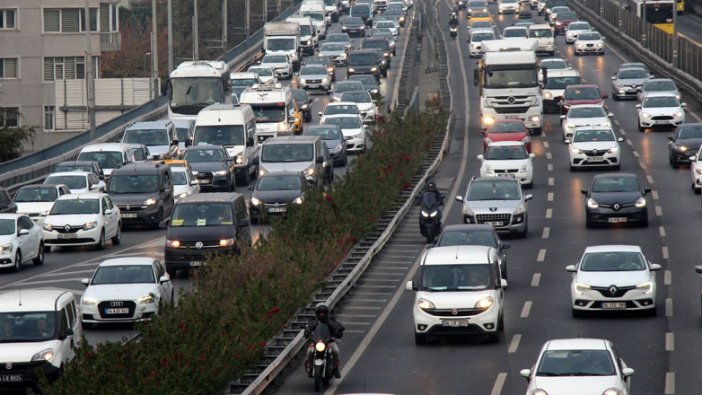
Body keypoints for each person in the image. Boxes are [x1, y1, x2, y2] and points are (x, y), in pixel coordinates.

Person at [304, 303, 345, 379]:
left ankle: (336, 368)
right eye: (320, 312)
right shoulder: (314, 321)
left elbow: (336, 326)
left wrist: (338, 330)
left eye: (323, 312)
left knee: (336, 351)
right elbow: (309, 327)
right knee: (309, 351)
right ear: (317, 313)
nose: (322, 314)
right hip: (316, 341)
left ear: (326, 312)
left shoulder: (330, 320)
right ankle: (310, 367)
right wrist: (307, 332)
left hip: (329, 341)